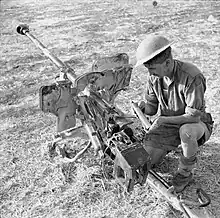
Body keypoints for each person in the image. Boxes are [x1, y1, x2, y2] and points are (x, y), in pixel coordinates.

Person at [134, 34, 214, 192]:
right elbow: (151, 108)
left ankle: (185, 173)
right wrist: (141, 108)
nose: (150, 74)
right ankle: (171, 145)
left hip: (196, 125)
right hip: (168, 125)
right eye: (148, 69)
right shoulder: (154, 78)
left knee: (187, 132)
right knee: (147, 163)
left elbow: (193, 117)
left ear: (168, 63)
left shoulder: (191, 76)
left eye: (152, 69)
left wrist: (163, 120)